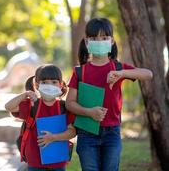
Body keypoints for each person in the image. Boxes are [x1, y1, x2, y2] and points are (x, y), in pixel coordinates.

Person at [65, 18, 153, 171]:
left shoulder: (118, 68)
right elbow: (69, 103)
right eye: (94, 38)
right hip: (87, 133)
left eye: (104, 38)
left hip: (112, 132)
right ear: (87, 42)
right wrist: (89, 112)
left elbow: (148, 74)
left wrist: (122, 73)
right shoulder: (80, 72)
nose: (99, 41)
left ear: (111, 41)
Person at [5, 64, 76, 171]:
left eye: (54, 82)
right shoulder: (32, 105)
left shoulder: (64, 107)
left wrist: (53, 137)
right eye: (44, 82)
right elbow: (9, 107)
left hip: (58, 160)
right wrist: (25, 95)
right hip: (35, 160)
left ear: (61, 85)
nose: (49, 85)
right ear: (37, 85)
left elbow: (72, 132)